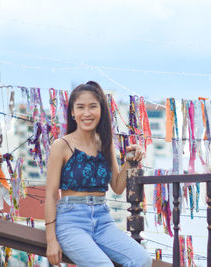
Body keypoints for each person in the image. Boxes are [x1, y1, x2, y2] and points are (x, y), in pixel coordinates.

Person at [44, 81, 152, 267]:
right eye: (81, 107)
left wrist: (129, 161)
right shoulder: (61, 145)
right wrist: (51, 241)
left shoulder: (105, 143)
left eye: (93, 106)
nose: (87, 113)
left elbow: (117, 187)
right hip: (72, 222)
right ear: (72, 112)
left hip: (103, 220)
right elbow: (51, 195)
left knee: (141, 259)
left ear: (101, 110)